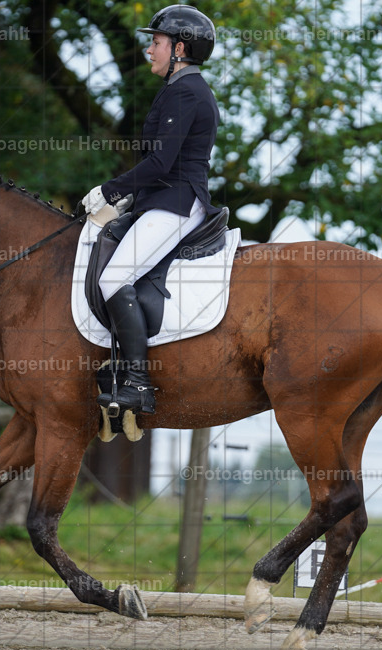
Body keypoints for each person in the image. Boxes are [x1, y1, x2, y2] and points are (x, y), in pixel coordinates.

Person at [81, 5, 220, 416]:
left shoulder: (186, 91)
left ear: (179, 48)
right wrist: (131, 198)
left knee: (113, 279)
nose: (149, 50)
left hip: (176, 203)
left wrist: (109, 190)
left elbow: (160, 163)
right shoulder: (179, 88)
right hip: (164, 198)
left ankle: (139, 383)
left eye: (156, 42)